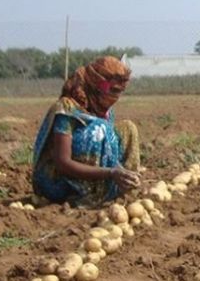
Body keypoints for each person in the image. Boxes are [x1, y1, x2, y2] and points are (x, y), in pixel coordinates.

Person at [32, 56, 141, 206]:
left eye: (120, 91)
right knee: (99, 129)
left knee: (128, 128)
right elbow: (62, 162)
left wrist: (121, 172)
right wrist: (110, 173)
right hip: (59, 182)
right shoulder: (67, 108)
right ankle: (91, 194)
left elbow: (108, 151)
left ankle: (124, 186)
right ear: (97, 85)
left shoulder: (106, 112)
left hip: (102, 177)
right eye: (113, 90)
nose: (115, 97)